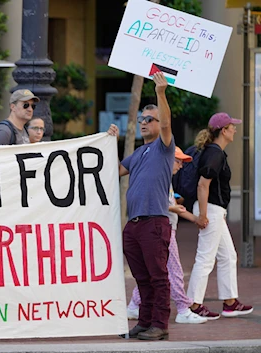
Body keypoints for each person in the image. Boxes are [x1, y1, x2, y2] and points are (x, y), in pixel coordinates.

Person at [108, 72, 174, 340]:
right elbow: (112, 170)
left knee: (158, 276)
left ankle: (160, 324)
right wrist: (108, 142)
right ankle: (146, 322)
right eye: (141, 119)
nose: (144, 123)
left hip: (154, 222)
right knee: (142, 278)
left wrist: (161, 93)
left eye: (150, 119)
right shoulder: (138, 153)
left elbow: (168, 125)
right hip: (134, 225)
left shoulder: (164, 147)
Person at [126, 147, 207, 325]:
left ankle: (134, 305)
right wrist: (175, 208)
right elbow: (157, 202)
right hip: (163, 229)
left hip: (166, 229)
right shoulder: (159, 179)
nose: (180, 166)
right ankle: (183, 309)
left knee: (154, 271)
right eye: (178, 161)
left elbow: (171, 206)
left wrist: (196, 219)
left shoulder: (166, 182)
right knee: (173, 270)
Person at [186, 112, 253, 319]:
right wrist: (203, 215)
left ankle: (230, 302)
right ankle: (193, 305)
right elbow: (202, 185)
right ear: (223, 131)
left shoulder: (214, 151)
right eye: (232, 126)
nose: (234, 129)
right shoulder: (214, 153)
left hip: (215, 210)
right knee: (205, 258)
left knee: (228, 256)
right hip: (210, 210)